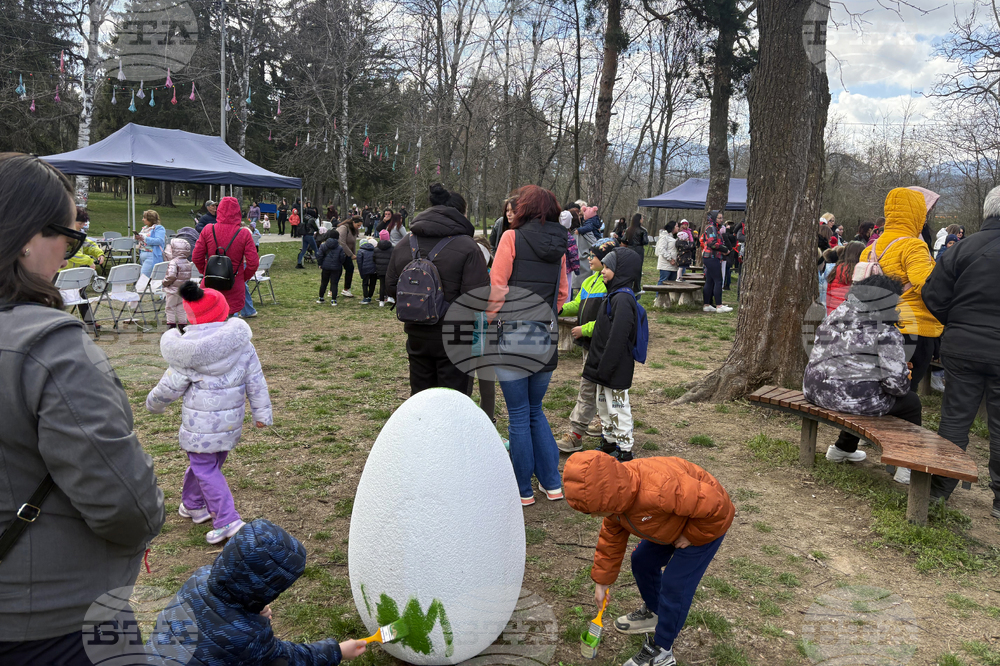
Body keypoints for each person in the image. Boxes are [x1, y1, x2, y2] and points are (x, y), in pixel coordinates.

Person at [0, 153, 164, 663]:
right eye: (68, 239)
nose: (69, 255)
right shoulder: (49, 346)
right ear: (26, 237)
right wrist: (150, 514)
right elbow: (123, 501)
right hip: (58, 619)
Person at [562, 450, 734, 666]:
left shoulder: (660, 488)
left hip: (706, 525)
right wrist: (602, 581)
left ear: (612, 497)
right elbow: (611, 540)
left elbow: (718, 507)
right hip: (671, 523)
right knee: (642, 560)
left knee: (675, 584)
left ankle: (663, 651)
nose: (596, 517)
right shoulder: (615, 500)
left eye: (597, 511)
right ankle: (656, 613)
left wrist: (691, 535)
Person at [146, 281, 272, 544]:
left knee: (206, 467)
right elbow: (256, 380)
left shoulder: (186, 352)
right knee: (207, 465)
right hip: (229, 423)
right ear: (223, 311)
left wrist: (153, 404)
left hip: (199, 427)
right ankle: (192, 504)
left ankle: (227, 519)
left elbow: (168, 386)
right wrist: (261, 414)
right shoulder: (241, 344)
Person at [148, 519, 368, 665]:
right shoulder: (248, 637)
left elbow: (215, 614)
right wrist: (337, 650)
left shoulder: (198, 578)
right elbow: (287, 660)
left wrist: (253, 610)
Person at [487, 184, 568, 506]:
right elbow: (562, 293)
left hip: (513, 334)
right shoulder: (562, 242)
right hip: (545, 334)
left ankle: (522, 490)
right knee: (535, 410)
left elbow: (497, 286)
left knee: (519, 414)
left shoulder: (511, 237)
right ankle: (552, 484)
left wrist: (491, 320)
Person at [922, 186, 1000, 517]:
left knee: (955, 417)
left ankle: (940, 490)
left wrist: (956, 322)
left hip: (962, 345)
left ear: (986, 211)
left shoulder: (961, 248)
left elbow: (933, 294)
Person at [804, 275, 919, 483]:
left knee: (860, 388)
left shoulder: (837, 313)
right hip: (849, 398)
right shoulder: (886, 330)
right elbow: (896, 385)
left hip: (815, 390)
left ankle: (843, 448)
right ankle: (906, 465)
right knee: (911, 402)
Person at [386, 183, 490, 394]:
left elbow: (390, 288)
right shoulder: (468, 246)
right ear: (460, 213)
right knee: (453, 401)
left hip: (417, 333)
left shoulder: (405, 243)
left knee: (421, 398)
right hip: (456, 337)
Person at [859, 187, 942, 389]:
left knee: (881, 389)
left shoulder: (871, 249)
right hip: (912, 329)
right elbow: (928, 285)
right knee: (906, 390)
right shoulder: (914, 246)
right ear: (917, 214)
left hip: (878, 328)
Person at [583, 246, 643, 461]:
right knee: (603, 406)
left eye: (607, 267)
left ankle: (625, 449)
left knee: (618, 407)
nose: (602, 271)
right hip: (603, 366)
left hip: (614, 367)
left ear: (622, 270)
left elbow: (618, 337)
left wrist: (606, 366)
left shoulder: (623, 299)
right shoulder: (613, 295)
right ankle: (609, 440)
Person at [557, 240, 616, 453]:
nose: (589, 259)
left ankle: (576, 434)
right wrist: (560, 309)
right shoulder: (589, 281)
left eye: (594, 255)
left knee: (588, 387)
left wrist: (586, 329)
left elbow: (607, 319)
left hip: (599, 345)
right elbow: (578, 304)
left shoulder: (610, 285)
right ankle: (601, 422)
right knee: (594, 388)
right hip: (588, 346)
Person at [192, 196, 260, 317]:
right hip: (234, 282)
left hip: (211, 282)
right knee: (229, 323)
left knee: (210, 322)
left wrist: (206, 271)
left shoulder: (208, 229)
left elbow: (196, 256)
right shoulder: (243, 233)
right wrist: (242, 277)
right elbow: (253, 262)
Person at [60, 206, 104, 329]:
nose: (82, 226)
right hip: (60, 272)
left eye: (84, 223)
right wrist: (89, 260)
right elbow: (72, 255)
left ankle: (89, 321)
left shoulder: (79, 233)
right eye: (80, 223)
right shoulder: (63, 235)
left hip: (74, 273)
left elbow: (89, 244)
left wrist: (99, 253)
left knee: (81, 293)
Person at [700, 211, 732, 313]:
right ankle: (719, 305)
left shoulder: (715, 229)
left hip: (712, 257)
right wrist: (725, 249)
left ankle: (707, 305)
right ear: (713, 218)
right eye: (719, 218)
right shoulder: (711, 228)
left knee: (709, 280)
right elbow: (712, 243)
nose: (721, 220)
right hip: (711, 257)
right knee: (718, 280)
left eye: (722, 218)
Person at [161, 237, 192, 330]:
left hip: (172, 289)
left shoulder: (173, 262)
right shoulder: (187, 262)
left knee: (170, 308)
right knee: (181, 309)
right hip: (182, 290)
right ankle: (183, 327)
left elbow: (171, 276)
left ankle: (171, 327)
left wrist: (164, 283)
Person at [826, 241, 864, 315]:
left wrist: (829, 314)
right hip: (852, 315)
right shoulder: (860, 272)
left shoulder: (835, 270)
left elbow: (829, 296)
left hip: (834, 313)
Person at [332, 215, 362, 298]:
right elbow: (341, 242)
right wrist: (351, 254)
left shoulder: (354, 230)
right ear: (353, 222)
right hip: (339, 253)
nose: (359, 227)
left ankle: (346, 289)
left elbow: (353, 243)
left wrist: (354, 254)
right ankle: (332, 290)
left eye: (360, 225)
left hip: (347, 254)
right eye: (358, 225)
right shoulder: (344, 228)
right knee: (338, 271)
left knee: (350, 268)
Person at [316, 228, 347, 305]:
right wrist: (340, 263)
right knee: (334, 283)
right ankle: (333, 300)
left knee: (323, 282)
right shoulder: (339, 247)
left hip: (325, 267)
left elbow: (319, 255)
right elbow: (342, 257)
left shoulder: (323, 245)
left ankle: (321, 298)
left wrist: (320, 264)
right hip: (336, 267)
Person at [622, 213, 649, 292]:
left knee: (629, 268)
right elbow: (645, 242)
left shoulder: (628, 229)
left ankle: (627, 285)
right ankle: (637, 288)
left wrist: (629, 243)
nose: (643, 220)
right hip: (638, 249)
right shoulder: (643, 231)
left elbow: (623, 239)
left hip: (630, 249)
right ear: (639, 220)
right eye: (642, 218)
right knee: (638, 269)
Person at [136, 209, 166, 277]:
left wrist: (145, 238)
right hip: (143, 254)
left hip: (152, 255)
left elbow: (159, 240)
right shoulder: (144, 228)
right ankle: (149, 287)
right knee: (148, 277)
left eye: (144, 218)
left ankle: (142, 288)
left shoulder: (159, 228)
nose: (142, 219)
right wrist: (138, 238)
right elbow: (142, 239)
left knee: (144, 276)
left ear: (150, 219)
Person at [561, 210, 581, 290]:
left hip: (556, 267)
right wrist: (576, 268)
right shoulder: (569, 238)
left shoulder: (554, 234)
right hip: (567, 268)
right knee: (566, 289)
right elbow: (573, 255)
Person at [374, 229, 393, 306]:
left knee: (382, 285)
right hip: (389, 269)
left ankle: (381, 301)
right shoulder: (392, 249)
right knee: (389, 284)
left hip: (380, 269)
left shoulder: (376, 249)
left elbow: (374, 258)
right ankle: (390, 297)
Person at [357, 238, 378, 305]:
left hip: (365, 269)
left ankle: (365, 297)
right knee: (373, 283)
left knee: (365, 283)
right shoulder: (374, 250)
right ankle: (370, 296)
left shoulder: (360, 251)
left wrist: (361, 273)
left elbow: (359, 262)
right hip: (374, 269)